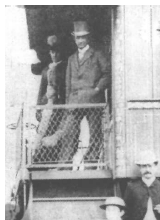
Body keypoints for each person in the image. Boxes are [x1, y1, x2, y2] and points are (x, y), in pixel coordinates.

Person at [42, 21, 109, 167]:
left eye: (83, 37)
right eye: (77, 38)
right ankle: (63, 164)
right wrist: (68, 104)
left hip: (93, 101)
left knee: (95, 134)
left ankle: (91, 165)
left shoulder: (97, 55)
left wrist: (97, 90)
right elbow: (68, 83)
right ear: (74, 39)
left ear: (88, 38)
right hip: (75, 101)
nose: (80, 40)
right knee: (68, 133)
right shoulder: (72, 58)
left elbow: (107, 74)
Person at [32, 35, 67, 162]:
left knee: (56, 133)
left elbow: (64, 89)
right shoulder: (46, 70)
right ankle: (40, 159)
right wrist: (40, 105)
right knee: (43, 132)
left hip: (59, 107)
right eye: (52, 52)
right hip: (47, 106)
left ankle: (53, 160)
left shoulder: (65, 68)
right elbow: (42, 90)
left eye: (57, 52)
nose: (54, 55)